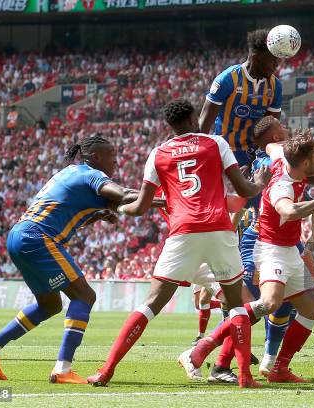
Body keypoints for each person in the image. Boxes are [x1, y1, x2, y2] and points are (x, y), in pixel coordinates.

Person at [87, 99, 270, 388]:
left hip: (183, 231)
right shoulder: (216, 143)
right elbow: (243, 189)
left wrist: (118, 210)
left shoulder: (158, 154)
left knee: (150, 304)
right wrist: (260, 181)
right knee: (236, 306)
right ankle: (245, 377)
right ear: (194, 120)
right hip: (219, 228)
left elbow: (140, 207)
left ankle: (106, 370)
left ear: (170, 126)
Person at [182, 132, 314, 384]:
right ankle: (202, 349)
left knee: (311, 309)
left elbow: (273, 145)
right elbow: (290, 210)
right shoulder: (281, 186)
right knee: (268, 303)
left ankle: (279, 369)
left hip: (289, 250)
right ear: (306, 164)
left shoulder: (281, 158)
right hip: (271, 249)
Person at [0, 135, 142, 384]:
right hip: (37, 237)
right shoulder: (91, 174)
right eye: (112, 155)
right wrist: (166, 197)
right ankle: (62, 369)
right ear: (95, 157)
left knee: (50, 305)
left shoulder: (69, 172)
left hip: (19, 235)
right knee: (84, 295)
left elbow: (67, 208)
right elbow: (124, 194)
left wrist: (96, 215)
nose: (116, 161)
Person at [199, 29, 282, 167]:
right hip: (223, 151)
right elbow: (204, 124)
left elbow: (270, 129)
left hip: (253, 155)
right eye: (273, 60)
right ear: (256, 59)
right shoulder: (227, 79)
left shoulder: (275, 85)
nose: (276, 65)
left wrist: (251, 164)